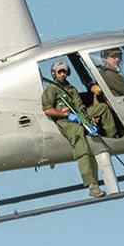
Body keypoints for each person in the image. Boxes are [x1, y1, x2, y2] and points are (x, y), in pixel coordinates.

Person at [41, 62, 103, 197]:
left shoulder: (72, 89)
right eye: (60, 72)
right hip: (65, 122)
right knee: (81, 142)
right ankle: (92, 184)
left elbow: (80, 106)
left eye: (64, 71)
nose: (63, 74)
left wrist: (88, 120)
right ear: (54, 74)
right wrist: (65, 114)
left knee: (102, 110)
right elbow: (47, 110)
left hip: (80, 118)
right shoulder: (51, 89)